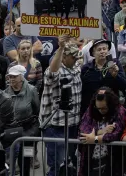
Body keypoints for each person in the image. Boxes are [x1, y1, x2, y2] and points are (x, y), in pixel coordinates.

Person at [40, 36, 83, 176]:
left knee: (68, 164)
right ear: (63, 57)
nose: (76, 59)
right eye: (73, 56)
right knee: (57, 166)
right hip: (55, 125)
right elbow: (52, 73)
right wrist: (60, 47)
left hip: (72, 124)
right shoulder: (54, 70)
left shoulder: (76, 68)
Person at [80, 88, 126, 176]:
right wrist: (101, 131)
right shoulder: (91, 109)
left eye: (104, 108)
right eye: (98, 108)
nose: (101, 111)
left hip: (112, 159)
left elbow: (116, 134)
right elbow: (83, 130)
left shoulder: (120, 111)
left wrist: (94, 139)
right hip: (91, 158)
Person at [4, 65, 41, 176]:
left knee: (24, 161)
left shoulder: (32, 90)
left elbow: (37, 110)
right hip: (11, 130)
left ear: (22, 77)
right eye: (10, 76)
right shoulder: (5, 92)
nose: (11, 79)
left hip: (27, 129)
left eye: (14, 76)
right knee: (9, 161)